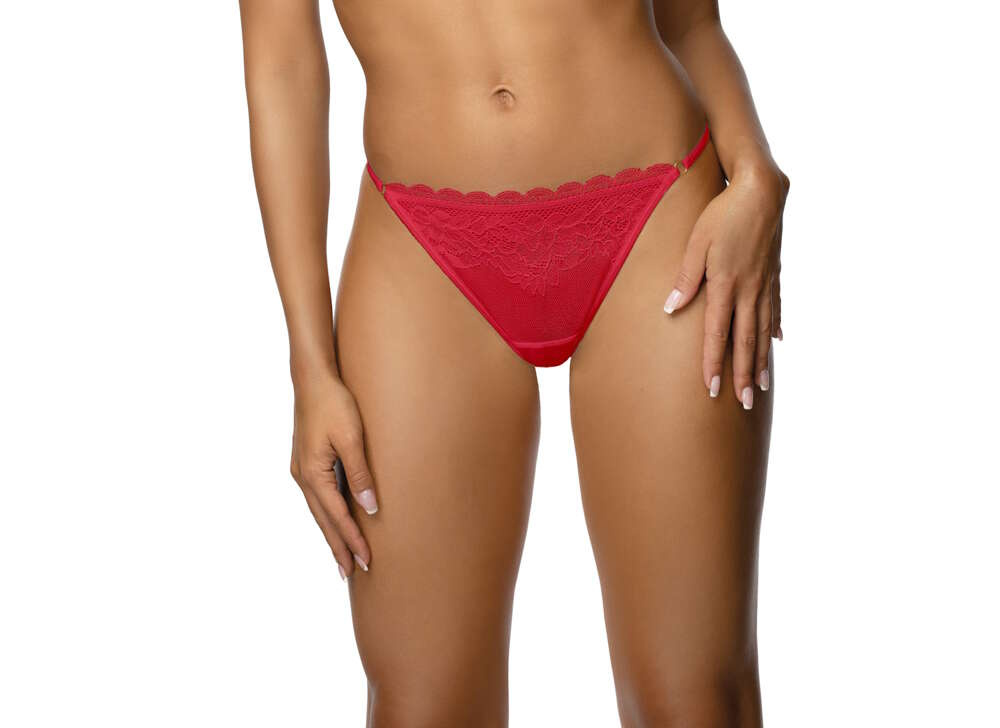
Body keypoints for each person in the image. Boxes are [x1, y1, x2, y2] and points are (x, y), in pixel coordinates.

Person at [239, 0, 789, 725]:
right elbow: (281, 60)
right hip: (418, 248)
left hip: (657, 213)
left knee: (695, 702)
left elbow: (690, 21)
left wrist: (754, 173)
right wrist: (310, 369)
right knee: (422, 710)